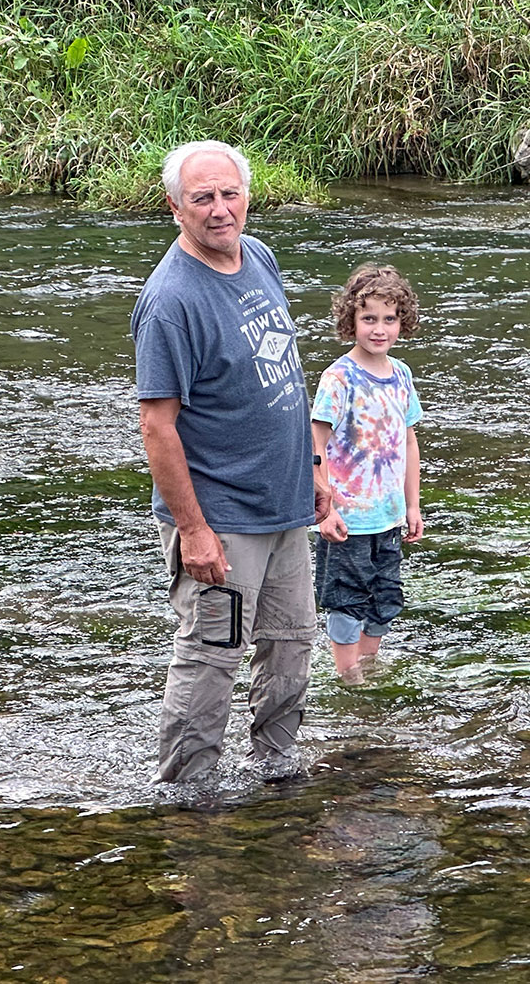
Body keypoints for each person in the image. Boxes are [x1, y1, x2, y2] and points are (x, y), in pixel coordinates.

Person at [132, 139, 341, 782]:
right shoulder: (171, 302)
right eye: (203, 198)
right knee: (211, 655)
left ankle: (277, 772)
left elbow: (286, 375)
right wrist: (193, 530)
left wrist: (311, 467)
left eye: (230, 193)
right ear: (176, 208)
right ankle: (188, 794)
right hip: (220, 516)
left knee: (290, 645)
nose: (221, 210)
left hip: (284, 505)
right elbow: (157, 426)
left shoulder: (260, 257)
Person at [311, 264, 424, 684]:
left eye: (389, 319)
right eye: (369, 318)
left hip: (389, 515)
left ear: (402, 322)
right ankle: (348, 678)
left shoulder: (401, 375)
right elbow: (315, 443)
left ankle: (368, 668)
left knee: (384, 598)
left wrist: (412, 505)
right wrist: (325, 510)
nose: (380, 329)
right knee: (346, 599)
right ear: (351, 321)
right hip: (348, 517)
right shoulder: (339, 378)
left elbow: (408, 442)